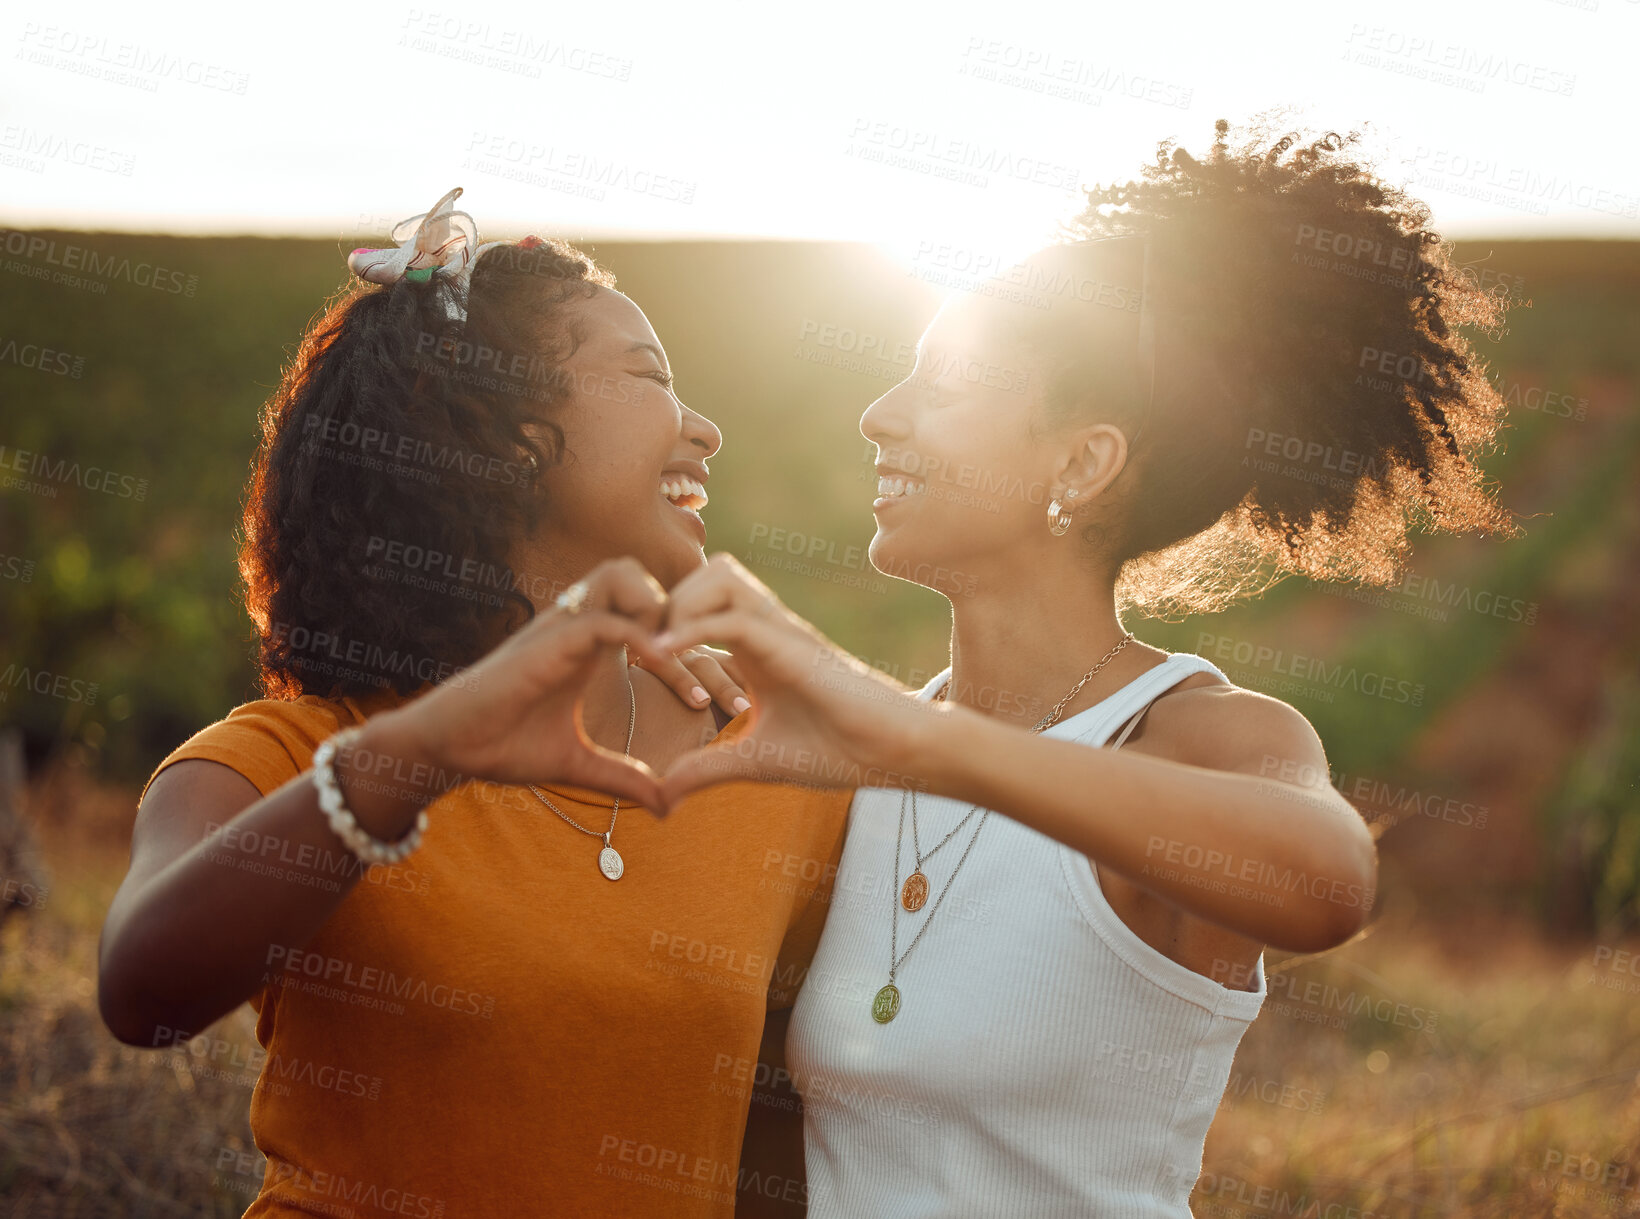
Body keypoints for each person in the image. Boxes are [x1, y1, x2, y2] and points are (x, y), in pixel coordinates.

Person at [649, 121, 1516, 1217]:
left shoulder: (1198, 735)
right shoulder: (863, 753)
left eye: (949, 382)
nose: (879, 415)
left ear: (1081, 460)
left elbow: (1326, 877)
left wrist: (908, 739)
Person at [96, 189, 848, 1218]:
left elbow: (789, 1123)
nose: (704, 429)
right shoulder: (292, 751)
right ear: (501, 433)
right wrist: (420, 755)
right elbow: (144, 995)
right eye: (649, 376)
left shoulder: (757, 757)